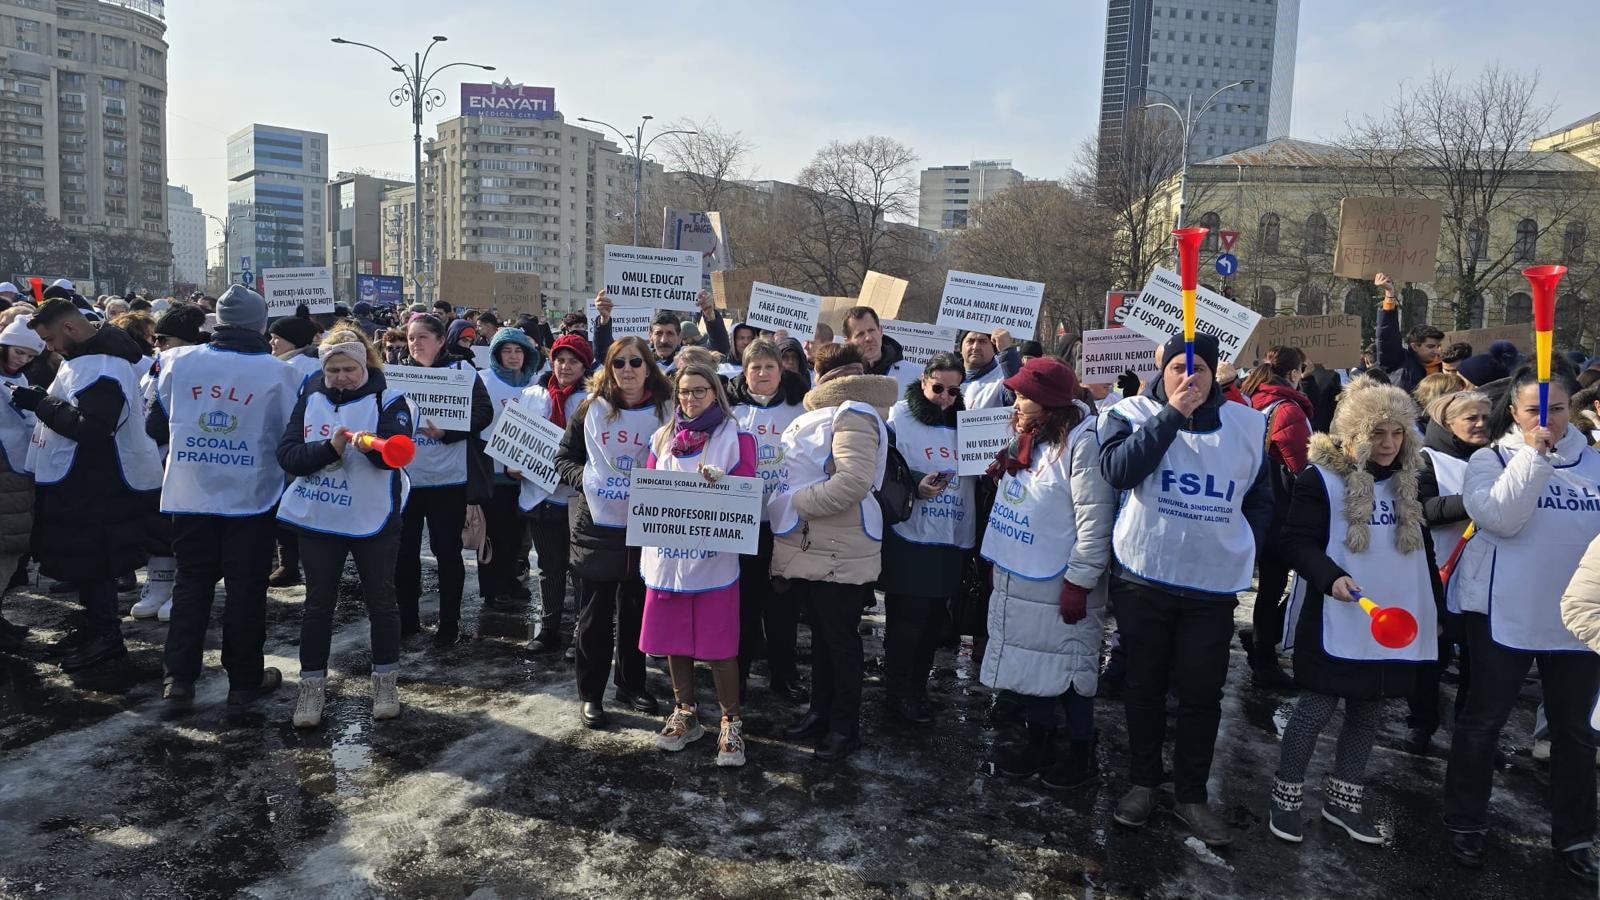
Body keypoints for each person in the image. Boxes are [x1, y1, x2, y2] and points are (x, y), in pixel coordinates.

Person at [1098, 332, 1272, 847]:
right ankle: (1144, 782)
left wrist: (1246, 544)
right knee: (1144, 687)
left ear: (1214, 373)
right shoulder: (1128, 411)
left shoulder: (1246, 423)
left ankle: (1191, 794)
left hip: (1211, 589)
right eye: (1178, 367)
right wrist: (1171, 414)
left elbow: (1261, 498)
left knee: (1201, 693)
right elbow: (1118, 469)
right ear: (1162, 369)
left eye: (1197, 370)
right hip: (1143, 578)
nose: (1188, 377)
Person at [1442, 363, 1600, 884]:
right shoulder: (1492, 458)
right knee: (1483, 722)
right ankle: (1465, 822)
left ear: (1570, 410)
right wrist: (1534, 456)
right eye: (1534, 410)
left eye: (1556, 409)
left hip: (1575, 622)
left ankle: (1575, 835)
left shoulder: (1597, 465)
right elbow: (1501, 519)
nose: (1546, 419)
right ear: (1514, 413)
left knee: (1576, 733)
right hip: (1503, 614)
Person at [1271, 381, 1441, 845]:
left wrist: (1436, 608)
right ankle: (1285, 797)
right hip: (1339, 612)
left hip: (1392, 618)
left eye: (1396, 434)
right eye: (1377, 434)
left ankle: (1343, 801)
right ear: (1352, 436)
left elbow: (1423, 547)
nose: (1387, 445)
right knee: (1316, 709)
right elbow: (1294, 542)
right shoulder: (1320, 479)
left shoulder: (1413, 479)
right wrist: (1330, 578)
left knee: (1367, 712)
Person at [150, 285, 301, 710]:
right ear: (260, 325)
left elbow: (158, 422)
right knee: (246, 589)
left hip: (192, 492)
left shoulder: (177, 361)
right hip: (250, 496)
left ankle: (178, 680)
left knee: (192, 585)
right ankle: (244, 681)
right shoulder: (282, 372)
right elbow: (292, 431)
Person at [980, 357, 1114, 789]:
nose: (1015, 402)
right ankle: (1037, 742)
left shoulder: (1083, 441)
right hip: (1024, 571)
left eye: (1023, 395)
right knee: (1032, 664)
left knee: (1070, 666)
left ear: (1048, 401)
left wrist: (1081, 580)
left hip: (1060, 577)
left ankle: (1080, 750)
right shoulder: (1031, 437)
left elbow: (1094, 518)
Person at [276, 325, 415, 728]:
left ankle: (385, 681)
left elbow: (396, 454)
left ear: (364, 364)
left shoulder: (390, 399)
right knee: (318, 603)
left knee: (381, 601)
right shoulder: (310, 396)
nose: (340, 377)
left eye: (348, 369)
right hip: (320, 518)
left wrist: (370, 447)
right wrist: (327, 449)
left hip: (373, 517)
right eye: (333, 369)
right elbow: (288, 455)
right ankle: (311, 686)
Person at [19, 300, 164, 670]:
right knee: (85, 562)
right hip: (85, 477)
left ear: (69, 329)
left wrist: (41, 403)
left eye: (49, 339)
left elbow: (95, 428)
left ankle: (107, 637)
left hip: (98, 480)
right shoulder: (89, 359)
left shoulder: (101, 365)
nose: (48, 348)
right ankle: (94, 628)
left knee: (94, 561)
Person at [770, 343, 896, 761]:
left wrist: (796, 503)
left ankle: (844, 726)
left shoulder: (854, 414)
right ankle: (821, 712)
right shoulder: (831, 415)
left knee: (839, 640)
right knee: (825, 637)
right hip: (818, 542)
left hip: (839, 542)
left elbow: (853, 483)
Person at [639, 362, 758, 765]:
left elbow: (747, 485)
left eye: (699, 391)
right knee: (675, 637)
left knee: (718, 641)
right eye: (684, 392)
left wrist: (723, 481)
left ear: (716, 392)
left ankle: (731, 720)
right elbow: (651, 488)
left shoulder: (736, 435)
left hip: (713, 558)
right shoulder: (662, 436)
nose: (690, 399)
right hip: (670, 556)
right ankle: (686, 712)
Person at [554, 336, 673, 728]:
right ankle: (591, 694)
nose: (626, 370)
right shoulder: (591, 408)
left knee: (637, 614)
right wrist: (585, 479)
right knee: (594, 617)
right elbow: (564, 457)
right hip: (598, 527)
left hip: (647, 525)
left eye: (635, 363)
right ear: (608, 367)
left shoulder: (666, 410)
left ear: (648, 368)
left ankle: (631, 684)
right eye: (618, 363)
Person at [880, 353, 974, 725]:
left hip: (950, 532)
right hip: (911, 534)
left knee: (935, 621)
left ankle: (918, 689)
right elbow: (884, 463)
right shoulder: (899, 415)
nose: (945, 397)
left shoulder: (969, 422)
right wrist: (915, 479)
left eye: (954, 390)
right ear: (923, 381)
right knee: (908, 619)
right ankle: (897, 691)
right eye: (938, 388)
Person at [394, 314, 494, 645]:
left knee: (446, 552)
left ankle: (449, 623)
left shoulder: (462, 371)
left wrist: (448, 432)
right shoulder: (397, 374)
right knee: (404, 554)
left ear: (440, 341)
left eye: (423, 337)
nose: (415, 343)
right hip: (407, 481)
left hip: (448, 480)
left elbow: (484, 413)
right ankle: (407, 620)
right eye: (411, 338)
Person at [1404, 389, 1492, 755]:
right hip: (1439, 572)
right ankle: (1422, 724)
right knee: (1433, 658)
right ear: (1446, 421)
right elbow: (1420, 510)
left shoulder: (1498, 458)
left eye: (1486, 417)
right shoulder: (1427, 459)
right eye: (1471, 418)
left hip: (1486, 576)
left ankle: (1467, 732)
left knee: (1479, 660)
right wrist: (1478, 503)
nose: (1481, 424)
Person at [728, 339, 809, 701]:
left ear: (782, 370)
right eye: (755, 367)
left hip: (785, 522)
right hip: (743, 522)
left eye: (769, 367)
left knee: (783, 605)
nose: (762, 374)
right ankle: (738, 673)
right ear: (744, 373)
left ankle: (783, 674)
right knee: (743, 604)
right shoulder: (731, 411)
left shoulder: (799, 407)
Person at [1239, 346, 1314, 688]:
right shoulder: (1288, 409)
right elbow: (1301, 467)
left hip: (1247, 506)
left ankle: (1259, 642)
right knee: (1273, 587)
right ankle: (1264, 658)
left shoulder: (1248, 397)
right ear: (1295, 372)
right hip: (1277, 509)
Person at [518, 333, 593, 654]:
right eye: (560, 359)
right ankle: (547, 628)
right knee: (549, 568)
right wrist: (513, 463)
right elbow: (517, 436)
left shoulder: (593, 401)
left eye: (573, 361)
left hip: (576, 497)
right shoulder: (532, 394)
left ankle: (580, 634)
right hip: (540, 495)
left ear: (584, 366)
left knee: (580, 570)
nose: (565, 366)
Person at [476, 326, 545, 607]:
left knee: (517, 536)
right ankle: (492, 587)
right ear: (497, 354)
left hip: (525, 472)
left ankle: (510, 581)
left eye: (518, 350)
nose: (513, 356)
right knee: (493, 532)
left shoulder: (537, 384)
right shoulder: (482, 379)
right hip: (492, 471)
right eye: (507, 350)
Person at [0, 315, 38, 650]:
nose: (21, 359)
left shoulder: (20, 377)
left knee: (9, 553)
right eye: (18, 351)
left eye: (28, 355)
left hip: (17, 473)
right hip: (5, 470)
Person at [591, 291, 729, 373]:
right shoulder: (639, 359)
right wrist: (604, 319)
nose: (664, 340)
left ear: (680, 336)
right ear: (650, 336)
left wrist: (710, 315)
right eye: (658, 334)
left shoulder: (691, 358)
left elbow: (719, 349)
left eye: (670, 333)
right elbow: (605, 355)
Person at [1373, 273, 1444, 392]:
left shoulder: (1447, 367)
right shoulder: (1399, 362)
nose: (1436, 351)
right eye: (1431, 346)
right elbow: (1387, 336)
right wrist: (1390, 294)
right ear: (1415, 346)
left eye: (1438, 346)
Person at [841, 306, 919, 392]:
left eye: (871, 330)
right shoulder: (841, 377)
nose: (868, 338)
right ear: (847, 341)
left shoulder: (913, 374)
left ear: (880, 331)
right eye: (860, 334)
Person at [269, 315, 323, 384]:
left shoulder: (294, 366)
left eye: (276, 338)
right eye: (271, 337)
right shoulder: (286, 364)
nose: (271, 342)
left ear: (294, 341)